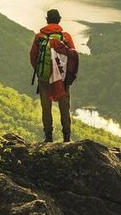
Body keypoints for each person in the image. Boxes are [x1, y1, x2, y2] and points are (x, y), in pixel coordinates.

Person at [30, 8, 76, 143]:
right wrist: (68, 76)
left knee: (46, 107)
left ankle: (48, 136)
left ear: (47, 20)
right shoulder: (66, 37)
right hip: (62, 79)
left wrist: (41, 73)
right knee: (64, 106)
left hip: (44, 77)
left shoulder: (39, 37)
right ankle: (66, 137)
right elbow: (72, 57)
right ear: (59, 20)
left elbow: (33, 57)